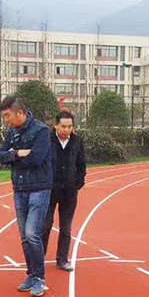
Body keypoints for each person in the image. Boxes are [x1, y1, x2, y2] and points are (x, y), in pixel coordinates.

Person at [0, 96, 52, 297]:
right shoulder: (12, 132)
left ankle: (39, 278)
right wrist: (19, 153)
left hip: (39, 188)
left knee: (32, 234)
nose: (6, 120)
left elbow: (36, 159)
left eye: (7, 116)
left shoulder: (41, 131)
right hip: (19, 188)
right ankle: (31, 274)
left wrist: (13, 155)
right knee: (24, 237)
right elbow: (1, 155)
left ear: (19, 112)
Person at [42, 110, 86, 272]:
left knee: (66, 228)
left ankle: (62, 259)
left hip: (69, 192)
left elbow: (81, 165)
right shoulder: (47, 140)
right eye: (63, 126)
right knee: (45, 226)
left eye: (70, 126)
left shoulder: (77, 141)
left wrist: (77, 183)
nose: (66, 129)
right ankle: (39, 259)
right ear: (55, 125)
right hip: (49, 191)